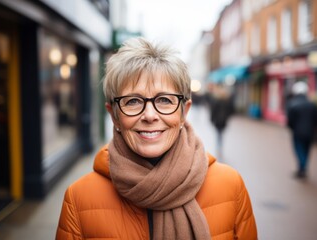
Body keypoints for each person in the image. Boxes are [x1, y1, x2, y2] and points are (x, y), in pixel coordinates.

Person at [56, 37, 257, 240]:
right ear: (114, 115)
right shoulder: (79, 199)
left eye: (164, 100)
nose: (150, 115)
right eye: (133, 101)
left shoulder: (230, 187)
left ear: (183, 112)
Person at [287, 81, 317, 179]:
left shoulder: (292, 104)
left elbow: (290, 121)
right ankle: (302, 168)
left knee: (299, 150)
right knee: (306, 150)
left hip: (298, 133)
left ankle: (302, 168)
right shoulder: (312, 105)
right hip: (310, 133)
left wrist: (293, 128)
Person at [208, 84, 235, 160]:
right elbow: (231, 110)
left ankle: (219, 145)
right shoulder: (227, 101)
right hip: (223, 120)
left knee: (218, 133)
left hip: (217, 120)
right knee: (220, 133)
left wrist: (212, 119)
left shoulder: (216, 100)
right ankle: (220, 144)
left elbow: (213, 111)